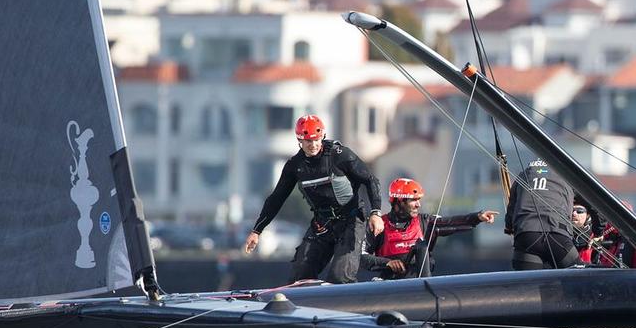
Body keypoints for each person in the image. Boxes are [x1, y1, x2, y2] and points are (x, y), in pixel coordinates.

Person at [244, 114, 383, 284]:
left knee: (340, 277)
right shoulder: (295, 165)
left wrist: (376, 212)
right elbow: (276, 198)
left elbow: (370, 180)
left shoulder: (339, 155)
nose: (313, 145)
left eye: (317, 139)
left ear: (322, 136)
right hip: (322, 224)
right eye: (308, 141)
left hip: (351, 220)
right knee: (299, 278)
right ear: (300, 141)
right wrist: (257, 231)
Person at [361, 178, 498, 279]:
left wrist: (477, 217)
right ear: (399, 202)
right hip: (391, 287)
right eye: (413, 200)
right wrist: (388, 263)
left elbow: (451, 222)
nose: (418, 204)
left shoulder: (424, 221)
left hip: (421, 285)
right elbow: (361, 257)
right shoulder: (379, 225)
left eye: (419, 199)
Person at [505, 159, 579, 270]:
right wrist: (599, 230)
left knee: (528, 284)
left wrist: (509, 227)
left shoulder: (523, 175)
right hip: (557, 235)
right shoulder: (566, 176)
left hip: (526, 235)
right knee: (578, 277)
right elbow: (593, 204)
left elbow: (511, 207)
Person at [570, 200, 597, 264]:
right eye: (571, 210)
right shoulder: (560, 230)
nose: (574, 213)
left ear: (587, 215)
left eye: (579, 211)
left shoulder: (595, 232)